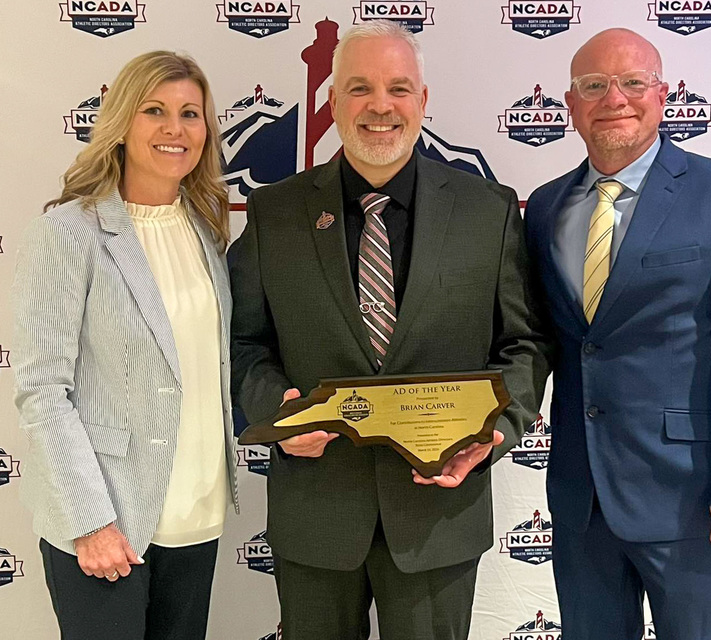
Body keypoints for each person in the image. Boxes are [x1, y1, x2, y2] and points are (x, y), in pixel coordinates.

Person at [229, 19, 552, 640]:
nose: (381, 106)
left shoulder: (488, 210)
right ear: (331, 102)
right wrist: (277, 411)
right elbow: (245, 342)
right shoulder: (276, 212)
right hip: (317, 513)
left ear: (423, 101)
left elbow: (525, 345)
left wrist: (493, 433)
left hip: (438, 512)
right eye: (359, 89)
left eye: (399, 89)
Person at [523, 28, 711, 640]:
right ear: (570, 104)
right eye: (594, 85)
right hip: (580, 499)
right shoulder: (544, 207)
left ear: (663, 94)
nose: (614, 97)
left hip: (694, 500)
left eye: (632, 82)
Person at [12, 51, 238, 640]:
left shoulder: (206, 230)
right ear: (121, 122)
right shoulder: (69, 232)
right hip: (109, 519)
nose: (175, 128)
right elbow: (42, 390)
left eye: (191, 113)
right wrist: (90, 520)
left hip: (196, 513)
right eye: (155, 110)